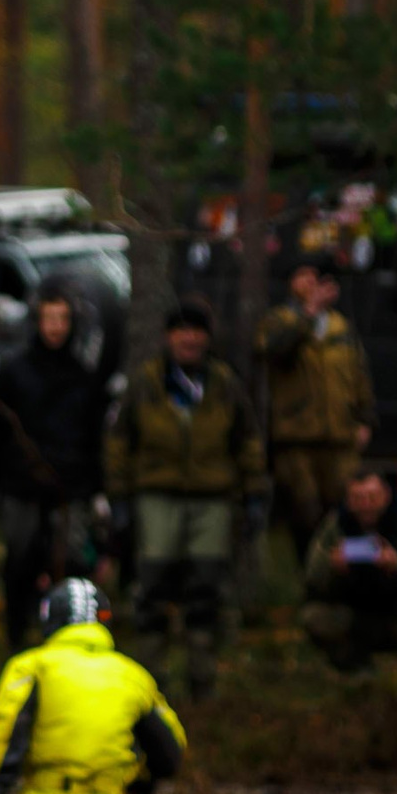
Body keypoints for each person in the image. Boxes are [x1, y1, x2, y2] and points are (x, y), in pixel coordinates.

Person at [103, 298, 264, 699]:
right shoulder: (146, 383)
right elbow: (120, 440)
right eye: (181, 330)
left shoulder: (224, 383)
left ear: (207, 338)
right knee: (153, 587)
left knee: (206, 590)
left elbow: (247, 441)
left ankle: (202, 681)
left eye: (197, 331)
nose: (189, 339)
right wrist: (119, 496)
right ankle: (151, 680)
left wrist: (255, 492)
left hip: (212, 499)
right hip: (157, 496)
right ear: (167, 337)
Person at [0, 578, 188, 794]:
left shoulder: (29, 668)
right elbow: (170, 752)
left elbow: (7, 736)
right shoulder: (134, 676)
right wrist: (142, 787)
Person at [0, 285, 110, 648]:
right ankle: (17, 639)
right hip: (22, 488)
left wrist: (98, 490)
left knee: (72, 566)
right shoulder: (14, 372)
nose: (56, 327)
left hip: (71, 490)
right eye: (49, 318)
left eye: (63, 319)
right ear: (37, 321)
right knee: (20, 564)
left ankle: (70, 641)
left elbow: (94, 439)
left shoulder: (84, 378)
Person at [261, 261, 375, 556]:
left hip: (340, 438)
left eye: (317, 276)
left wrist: (365, 420)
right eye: (304, 275)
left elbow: (359, 375)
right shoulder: (279, 321)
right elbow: (275, 352)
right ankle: (309, 581)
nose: (311, 282)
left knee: (346, 512)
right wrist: (308, 314)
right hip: (297, 439)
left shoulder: (341, 327)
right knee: (305, 514)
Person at [300, 468, 397, 673]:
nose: (365, 505)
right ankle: (352, 667)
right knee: (313, 616)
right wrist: (333, 567)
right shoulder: (336, 524)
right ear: (347, 500)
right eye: (358, 498)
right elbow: (311, 576)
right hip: (355, 612)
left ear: (386, 496)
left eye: (372, 497)